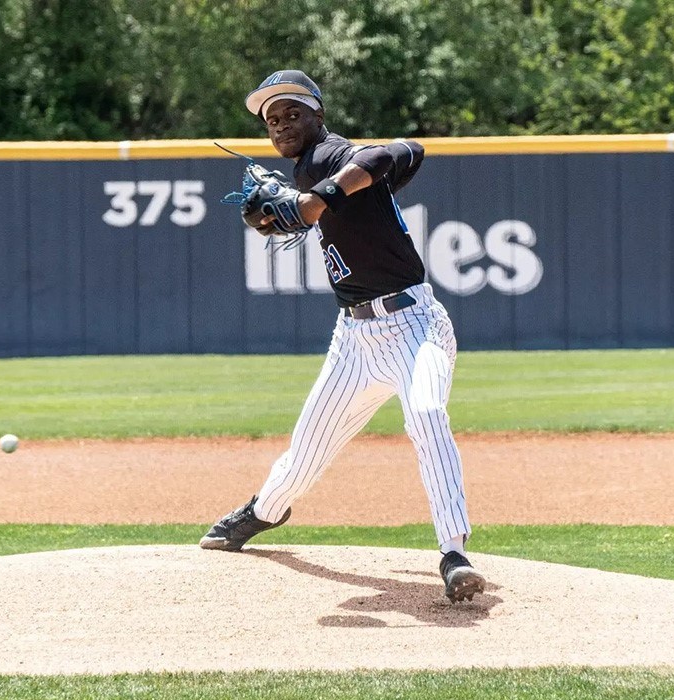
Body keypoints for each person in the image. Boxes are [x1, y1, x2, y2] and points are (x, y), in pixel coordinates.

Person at [200, 70, 485, 603]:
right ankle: (263, 511)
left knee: (426, 414)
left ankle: (454, 553)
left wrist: (317, 199)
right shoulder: (306, 170)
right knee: (304, 455)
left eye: (293, 113)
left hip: (414, 324)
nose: (282, 124)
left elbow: (401, 150)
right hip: (353, 339)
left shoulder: (333, 157)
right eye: (272, 119)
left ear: (318, 114)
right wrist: (286, 206)